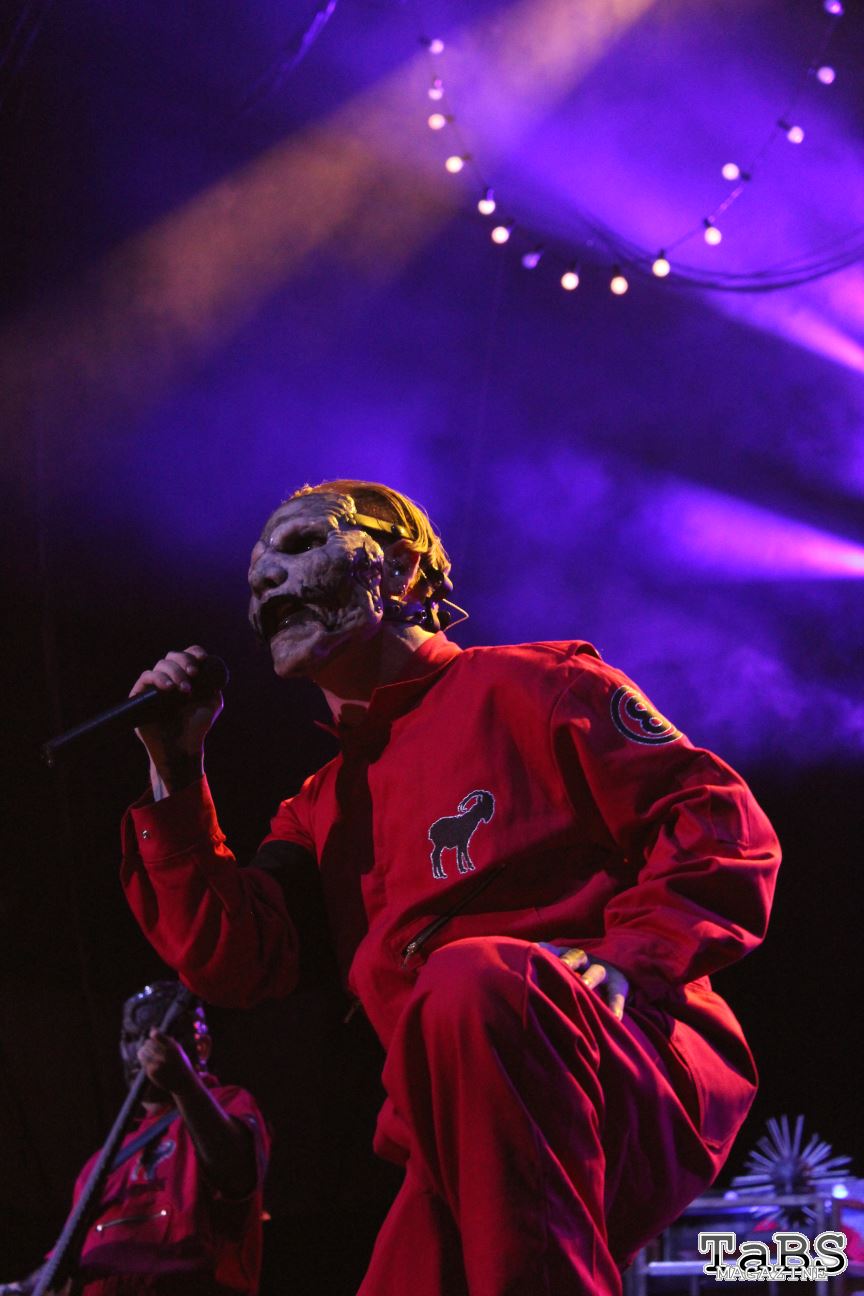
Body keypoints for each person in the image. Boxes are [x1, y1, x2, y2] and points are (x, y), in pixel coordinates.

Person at [118, 479, 780, 1296]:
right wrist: (175, 770)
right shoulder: (320, 807)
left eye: (300, 548)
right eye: (256, 576)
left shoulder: (539, 686)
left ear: (400, 571)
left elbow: (718, 823)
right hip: (456, 1124)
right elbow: (231, 957)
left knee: (471, 979)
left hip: (616, 1055)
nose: (267, 583)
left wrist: (632, 960)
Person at [0, 982, 269, 1296]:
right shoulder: (102, 1163)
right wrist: (18, 1289)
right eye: (129, 1038)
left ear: (202, 1046)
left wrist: (184, 1085)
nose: (140, 1050)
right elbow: (63, 1264)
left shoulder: (229, 1104)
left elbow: (236, 1173)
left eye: (155, 1036)